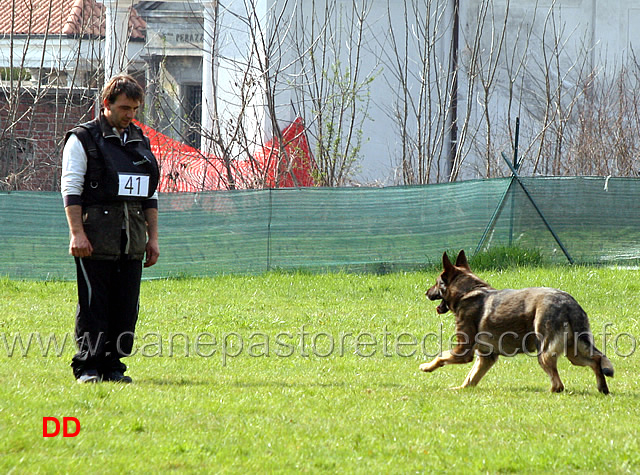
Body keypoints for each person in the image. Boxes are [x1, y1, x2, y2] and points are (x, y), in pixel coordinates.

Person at [61, 74, 160, 383]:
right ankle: (88, 366)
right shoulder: (83, 139)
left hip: (131, 239)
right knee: (94, 304)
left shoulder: (139, 140)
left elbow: (150, 194)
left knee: (126, 306)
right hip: (95, 236)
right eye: (124, 108)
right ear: (106, 104)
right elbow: (71, 188)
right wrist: (76, 233)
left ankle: (114, 366)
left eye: (135, 109)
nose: (130, 115)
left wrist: (152, 238)